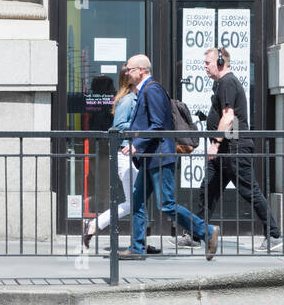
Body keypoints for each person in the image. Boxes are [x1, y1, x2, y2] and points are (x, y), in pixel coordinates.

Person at [119, 54, 219, 260]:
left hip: (160, 156)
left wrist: (136, 145)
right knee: (137, 202)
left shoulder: (152, 90)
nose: (126, 73)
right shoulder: (145, 90)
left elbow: (157, 125)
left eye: (129, 69)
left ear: (141, 70)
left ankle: (207, 232)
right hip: (151, 157)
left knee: (166, 204)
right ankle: (137, 248)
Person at [196, 47, 282, 252]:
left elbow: (228, 117)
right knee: (208, 190)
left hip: (233, 148)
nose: (205, 67)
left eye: (207, 63)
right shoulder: (222, 84)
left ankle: (274, 235)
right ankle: (194, 233)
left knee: (249, 190)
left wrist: (215, 144)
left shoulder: (227, 82)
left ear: (219, 63)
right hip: (227, 148)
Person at [82, 69, 136, 249]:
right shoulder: (126, 100)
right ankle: (95, 224)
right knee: (133, 201)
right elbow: (118, 126)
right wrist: (141, 125)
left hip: (114, 150)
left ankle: (138, 243)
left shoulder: (122, 99)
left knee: (134, 201)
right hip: (119, 151)